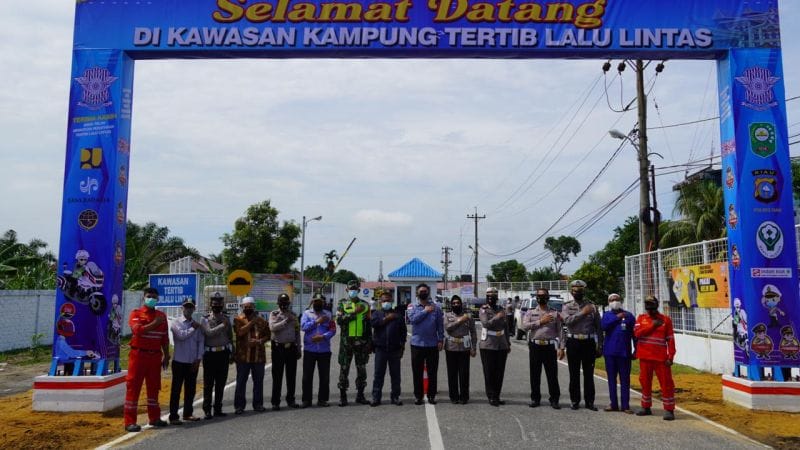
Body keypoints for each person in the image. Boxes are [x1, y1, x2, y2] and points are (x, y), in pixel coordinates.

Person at [123, 287, 170, 432]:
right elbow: (137, 330)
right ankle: (130, 422)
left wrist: (167, 355)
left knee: (154, 387)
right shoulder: (136, 314)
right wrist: (155, 323)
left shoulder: (162, 316)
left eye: (155, 297)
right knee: (133, 387)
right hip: (138, 356)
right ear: (144, 297)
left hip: (155, 356)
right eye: (149, 296)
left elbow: (164, 338)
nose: (152, 299)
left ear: (158, 299)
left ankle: (154, 418)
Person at [561, 279, 603, 411]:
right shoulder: (567, 306)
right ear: (571, 292)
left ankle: (590, 402)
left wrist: (600, 345)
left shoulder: (593, 307)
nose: (577, 293)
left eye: (580, 291)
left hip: (588, 343)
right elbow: (567, 321)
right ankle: (575, 400)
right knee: (574, 374)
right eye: (575, 291)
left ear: (584, 292)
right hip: (573, 342)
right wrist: (583, 313)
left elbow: (598, 328)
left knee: (589, 374)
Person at [634, 295, 677, 421]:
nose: (650, 308)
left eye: (652, 305)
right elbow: (637, 333)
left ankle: (669, 409)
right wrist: (652, 325)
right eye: (647, 305)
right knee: (645, 382)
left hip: (661, 358)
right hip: (645, 357)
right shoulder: (641, 319)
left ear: (656, 305)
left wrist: (671, 356)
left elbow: (670, 340)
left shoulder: (666, 320)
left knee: (666, 384)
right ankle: (645, 407)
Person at [522, 288, 562, 409]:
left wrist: (562, 347)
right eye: (539, 296)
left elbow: (560, 331)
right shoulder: (530, 312)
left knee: (552, 375)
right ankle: (535, 398)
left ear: (548, 297)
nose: (541, 297)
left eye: (543, 295)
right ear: (536, 298)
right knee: (535, 374)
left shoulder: (555, 313)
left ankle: (554, 399)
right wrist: (540, 321)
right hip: (535, 346)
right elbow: (525, 326)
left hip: (550, 346)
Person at [168, 298, 205, 424]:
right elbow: (181, 336)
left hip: (192, 362)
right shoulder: (175, 322)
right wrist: (193, 328)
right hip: (179, 361)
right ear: (182, 308)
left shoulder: (196, 324)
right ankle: (173, 416)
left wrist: (198, 359)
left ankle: (188, 413)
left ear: (194, 308)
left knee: (191, 389)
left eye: (191, 307)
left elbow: (201, 342)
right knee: (176, 390)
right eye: (186, 307)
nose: (188, 309)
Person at [336, 280, 372, 406]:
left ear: (358, 290)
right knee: (344, 369)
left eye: (355, 289)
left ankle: (360, 395)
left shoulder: (366, 305)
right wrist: (353, 313)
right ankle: (343, 396)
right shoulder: (342, 304)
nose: (353, 291)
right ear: (347, 290)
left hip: (361, 343)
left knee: (361, 369)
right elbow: (339, 320)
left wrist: (369, 343)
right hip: (346, 343)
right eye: (351, 289)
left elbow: (368, 325)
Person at [407, 283, 444, 405]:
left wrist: (440, 340)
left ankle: (431, 395)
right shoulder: (412, 306)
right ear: (417, 293)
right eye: (421, 291)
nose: (423, 293)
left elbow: (440, 325)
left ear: (428, 293)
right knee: (417, 372)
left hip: (432, 344)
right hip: (417, 344)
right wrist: (425, 311)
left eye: (425, 291)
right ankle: (418, 396)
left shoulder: (436, 308)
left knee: (432, 372)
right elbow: (413, 320)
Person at [233, 297, 270, 414]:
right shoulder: (238, 319)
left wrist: (259, 341)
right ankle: (239, 406)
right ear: (242, 308)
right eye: (246, 307)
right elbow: (240, 332)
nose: (248, 309)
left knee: (258, 382)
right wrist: (252, 322)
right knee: (241, 382)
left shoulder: (262, 320)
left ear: (254, 307)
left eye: (250, 307)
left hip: (258, 357)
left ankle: (258, 404)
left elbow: (268, 335)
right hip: (243, 357)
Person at [370, 291, 407, 406]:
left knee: (395, 375)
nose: (386, 302)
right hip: (380, 349)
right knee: (378, 375)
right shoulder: (376, 313)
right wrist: (386, 319)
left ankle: (395, 396)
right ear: (380, 302)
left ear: (392, 301)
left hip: (394, 349)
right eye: (384, 300)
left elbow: (403, 332)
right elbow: (374, 324)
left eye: (388, 300)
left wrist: (402, 347)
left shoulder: (398, 315)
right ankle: (376, 397)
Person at [601, 293, 636, 413]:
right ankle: (613, 404)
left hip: (624, 353)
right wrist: (617, 318)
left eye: (617, 299)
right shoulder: (606, 315)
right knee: (611, 379)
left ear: (621, 300)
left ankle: (625, 405)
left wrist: (636, 349)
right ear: (609, 302)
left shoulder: (629, 316)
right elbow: (604, 327)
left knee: (625, 379)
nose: (615, 301)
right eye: (612, 299)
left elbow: (634, 334)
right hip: (610, 352)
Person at [201, 292, 234, 419]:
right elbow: (209, 333)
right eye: (215, 304)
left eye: (219, 304)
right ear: (211, 305)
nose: (217, 306)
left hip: (223, 354)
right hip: (210, 354)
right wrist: (222, 325)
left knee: (221, 383)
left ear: (222, 305)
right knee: (208, 384)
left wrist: (232, 353)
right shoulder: (205, 319)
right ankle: (207, 409)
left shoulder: (226, 318)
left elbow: (230, 337)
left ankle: (218, 408)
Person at [301, 293, 336, 408]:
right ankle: (306, 400)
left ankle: (322, 399)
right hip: (309, 350)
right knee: (307, 377)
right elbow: (303, 327)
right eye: (316, 301)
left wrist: (323, 336)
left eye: (320, 302)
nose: (318, 304)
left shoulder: (329, 314)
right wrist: (316, 321)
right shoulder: (306, 313)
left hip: (324, 350)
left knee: (324, 377)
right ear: (313, 302)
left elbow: (333, 330)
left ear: (323, 303)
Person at [269, 293, 302, 411]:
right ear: (278, 304)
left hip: (291, 348)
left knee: (291, 376)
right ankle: (275, 402)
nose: (284, 305)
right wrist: (286, 321)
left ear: (288, 304)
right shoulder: (274, 314)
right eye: (282, 303)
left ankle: (291, 400)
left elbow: (297, 332)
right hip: (278, 348)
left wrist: (299, 348)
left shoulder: (294, 315)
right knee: (277, 376)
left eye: (286, 303)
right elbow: (272, 328)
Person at [479, 286, 511, 407]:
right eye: (489, 295)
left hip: (501, 343)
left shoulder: (501, 309)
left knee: (499, 372)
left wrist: (508, 342)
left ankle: (497, 395)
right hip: (488, 344)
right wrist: (497, 317)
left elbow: (506, 327)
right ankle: (491, 395)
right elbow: (486, 324)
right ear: (486, 297)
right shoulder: (483, 309)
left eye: (494, 295)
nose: (491, 297)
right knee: (489, 371)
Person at [443, 295, 476, 404]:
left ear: (461, 304)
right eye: (454, 303)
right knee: (452, 373)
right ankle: (453, 396)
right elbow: (448, 328)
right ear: (451, 305)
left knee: (464, 373)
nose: (456, 305)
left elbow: (473, 332)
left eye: (458, 303)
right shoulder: (447, 315)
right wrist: (460, 321)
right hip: (451, 347)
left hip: (464, 347)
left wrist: (473, 347)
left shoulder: (468, 316)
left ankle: (464, 396)